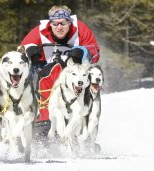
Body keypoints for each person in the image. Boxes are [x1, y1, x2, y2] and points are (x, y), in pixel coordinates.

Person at [20, 5, 100, 133]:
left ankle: (85, 120)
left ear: (69, 22)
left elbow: (95, 52)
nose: (59, 27)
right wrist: (28, 52)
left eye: (63, 23)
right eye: (55, 24)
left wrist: (83, 51)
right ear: (50, 24)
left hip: (75, 72)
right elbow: (20, 53)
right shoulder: (38, 32)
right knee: (27, 75)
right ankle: (35, 118)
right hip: (46, 72)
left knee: (92, 75)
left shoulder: (80, 29)